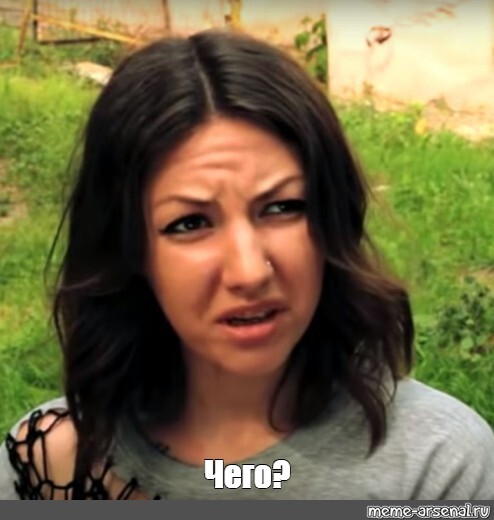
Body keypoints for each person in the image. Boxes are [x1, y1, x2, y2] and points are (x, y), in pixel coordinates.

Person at [0, 29, 493, 501]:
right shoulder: (50, 464)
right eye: (190, 223)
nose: (250, 272)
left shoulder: (437, 467)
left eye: (282, 208)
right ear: (129, 250)